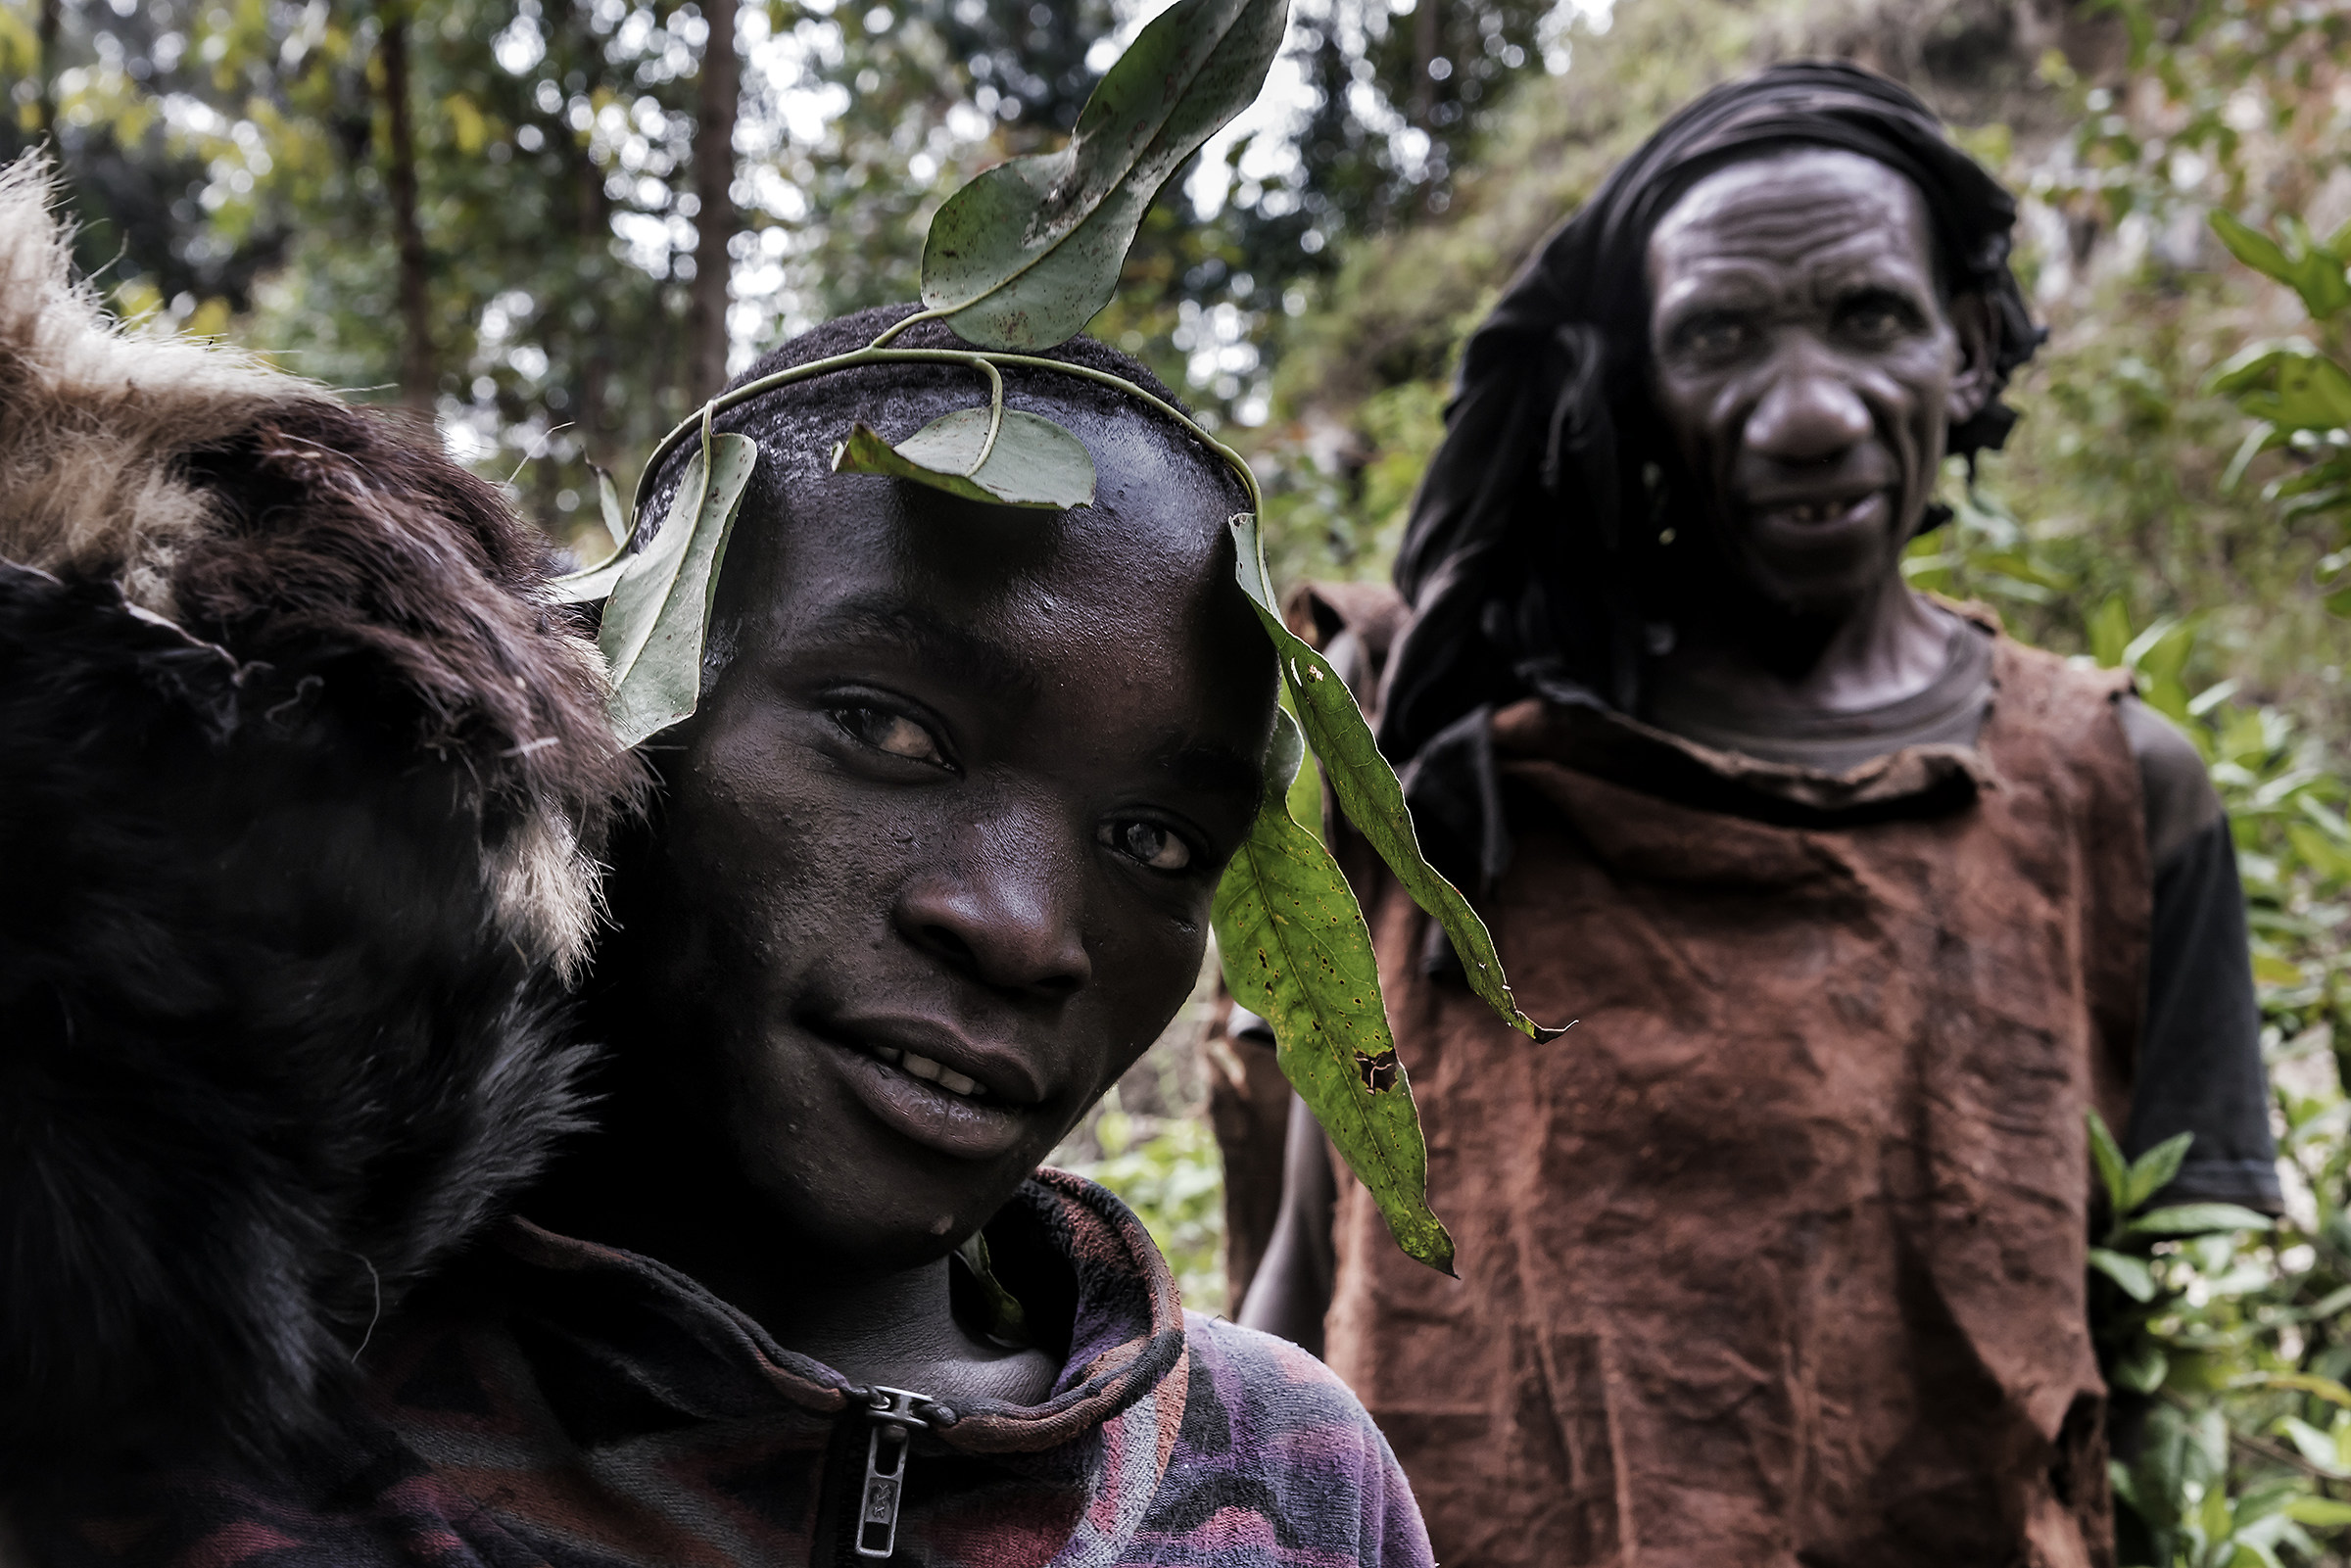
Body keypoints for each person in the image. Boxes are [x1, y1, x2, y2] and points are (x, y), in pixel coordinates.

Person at [3, 148, 1433, 1568]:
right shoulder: (195, 1405)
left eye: (1154, 838)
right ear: (631, 714)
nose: (1021, 927)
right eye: (886, 727)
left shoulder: (1279, 1477)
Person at [1234, 62, 2277, 1568]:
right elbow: (1306, 1264)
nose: (1805, 413)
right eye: (1720, 337)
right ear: (1634, 385)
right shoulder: (1429, 742)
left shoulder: (2114, 791)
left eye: (1869, 317)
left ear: (1968, 350)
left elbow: (2150, 1343)